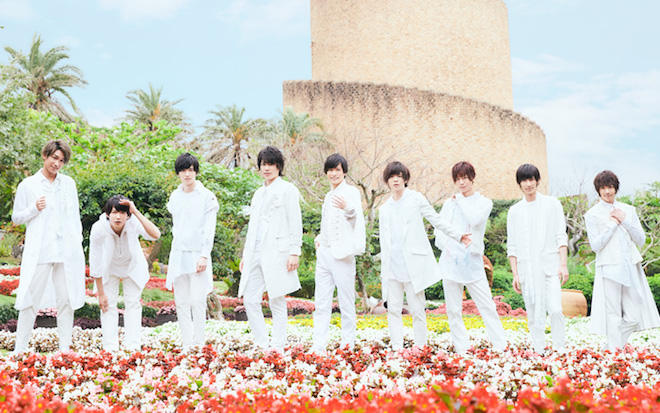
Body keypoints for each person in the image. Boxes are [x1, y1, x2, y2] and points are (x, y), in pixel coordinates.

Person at [379, 161, 470, 351]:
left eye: (399, 176)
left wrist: (457, 235)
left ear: (405, 179)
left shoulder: (415, 199)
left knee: (417, 310)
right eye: (391, 177)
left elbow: (436, 219)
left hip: (412, 266)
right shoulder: (384, 208)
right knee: (393, 310)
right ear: (387, 181)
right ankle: (397, 348)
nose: (395, 180)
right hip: (392, 268)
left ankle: (420, 348)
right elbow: (384, 243)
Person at [11, 140, 86, 353]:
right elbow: (16, 218)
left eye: (61, 161)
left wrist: (77, 245)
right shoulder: (28, 185)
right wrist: (34, 209)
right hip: (41, 251)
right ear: (45, 155)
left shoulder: (68, 184)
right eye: (54, 158)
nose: (57, 164)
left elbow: (75, 218)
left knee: (66, 300)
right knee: (30, 299)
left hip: (65, 252)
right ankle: (20, 349)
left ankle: (64, 349)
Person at [585, 170, 660, 351]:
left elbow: (640, 240)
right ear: (598, 190)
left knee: (634, 315)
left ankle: (611, 346)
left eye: (610, 187)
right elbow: (595, 246)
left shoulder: (628, 210)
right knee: (613, 314)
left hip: (630, 266)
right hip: (609, 268)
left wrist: (624, 221)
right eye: (603, 188)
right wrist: (612, 225)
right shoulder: (592, 214)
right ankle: (614, 352)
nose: (607, 191)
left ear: (616, 188)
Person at [436, 161, 507, 353]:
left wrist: (460, 200)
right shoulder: (449, 204)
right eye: (458, 179)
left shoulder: (484, 202)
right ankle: (462, 348)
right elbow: (440, 227)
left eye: (465, 178)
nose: (461, 183)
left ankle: (501, 346)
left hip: (473, 262)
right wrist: (448, 247)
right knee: (453, 310)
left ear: (472, 178)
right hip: (451, 261)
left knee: (487, 306)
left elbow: (475, 220)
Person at [238, 146, 303, 352]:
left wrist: (294, 251)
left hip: (278, 253)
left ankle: (278, 345)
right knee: (250, 298)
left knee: (277, 299)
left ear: (279, 166)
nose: (267, 168)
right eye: (263, 164)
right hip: (255, 252)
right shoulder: (258, 193)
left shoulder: (288, 190)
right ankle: (261, 342)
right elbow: (253, 228)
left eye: (271, 164)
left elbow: (295, 222)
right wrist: (246, 255)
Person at [507, 164, 568, 354]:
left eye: (531, 179)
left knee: (555, 309)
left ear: (537, 181)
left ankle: (559, 348)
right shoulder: (515, 211)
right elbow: (512, 245)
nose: (528, 184)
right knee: (533, 313)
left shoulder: (552, 204)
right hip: (527, 271)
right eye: (524, 180)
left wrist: (563, 264)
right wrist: (515, 274)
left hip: (550, 268)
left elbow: (561, 235)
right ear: (519, 184)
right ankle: (539, 350)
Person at [89, 195, 161, 352]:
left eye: (122, 213)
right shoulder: (99, 228)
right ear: (107, 214)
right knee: (107, 306)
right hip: (108, 268)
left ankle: (133, 347)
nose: (118, 217)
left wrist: (135, 211)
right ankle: (110, 348)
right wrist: (101, 293)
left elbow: (155, 235)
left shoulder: (133, 222)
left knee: (133, 305)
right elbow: (95, 261)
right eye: (114, 212)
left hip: (132, 267)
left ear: (127, 215)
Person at [311, 153, 366, 353]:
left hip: (343, 256)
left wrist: (347, 208)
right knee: (321, 303)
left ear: (344, 172)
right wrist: (319, 239)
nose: (334, 174)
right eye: (331, 170)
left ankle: (347, 345)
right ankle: (318, 345)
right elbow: (327, 224)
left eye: (337, 170)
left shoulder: (351, 192)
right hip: (324, 255)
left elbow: (355, 218)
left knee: (346, 302)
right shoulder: (328, 196)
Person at [166, 153, 220, 349]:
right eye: (183, 170)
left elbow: (209, 229)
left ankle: (199, 342)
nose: (187, 174)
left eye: (190, 170)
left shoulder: (206, 196)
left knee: (197, 300)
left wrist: (205, 255)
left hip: (198, 254)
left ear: (196, 172)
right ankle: (187, 342)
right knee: (181, 301)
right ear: (178, 173)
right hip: (178, 254)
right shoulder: (175, 196)